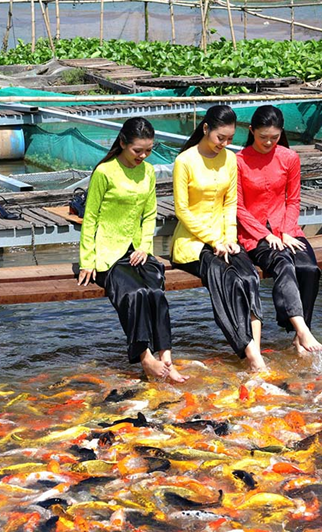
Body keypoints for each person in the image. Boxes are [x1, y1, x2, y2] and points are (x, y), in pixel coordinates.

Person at [77, 117, 188, 383]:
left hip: (137, 250)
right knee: (135, 294)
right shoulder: (105, 171)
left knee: (155, 291)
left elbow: (149, 215)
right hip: (108, 251)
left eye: (148, 150)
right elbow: (90, 218)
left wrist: (144, 247)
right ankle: (145, 358)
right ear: (123, 143)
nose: (143, 156)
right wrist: (87, 261)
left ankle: (166, 358)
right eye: (138, 150)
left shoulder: (148, 172)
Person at [171, 105, 267, 372]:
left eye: (229, 139)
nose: (224, 144)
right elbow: (182, 210)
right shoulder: (185, 161)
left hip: (225, 240)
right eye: (220, 138)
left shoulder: (230, 159)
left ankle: (255, 351)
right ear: (206, 129)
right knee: (227, 279)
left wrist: (230, 239)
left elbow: (230, 203)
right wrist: (214, 240)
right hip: (192, 243)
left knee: (249, 276)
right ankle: (252, 356)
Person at [236, 106, 322, 354]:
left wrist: (285, 232)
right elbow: (238, 207)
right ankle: (302, 330)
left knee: (309, 269)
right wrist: (266, 235)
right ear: (251, 131)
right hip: (255, 233)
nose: (268, 142)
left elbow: (293, 200)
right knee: (283, 263)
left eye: (274, 137)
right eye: (262, 137)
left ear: (281, 133)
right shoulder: (239, 161)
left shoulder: (289, 157)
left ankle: (299, 335)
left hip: (287, 228)